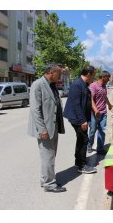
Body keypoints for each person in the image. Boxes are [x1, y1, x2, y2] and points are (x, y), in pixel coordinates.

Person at [27, 63, 66, 193]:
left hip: (53, 125)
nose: (60, 77)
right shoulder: (38, 85)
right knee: (48, 156)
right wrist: (42, 129)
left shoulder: (52, 85)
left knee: (50, 156)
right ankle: (49, 184)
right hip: (45, 128)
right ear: (50, 72)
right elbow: (35, 109)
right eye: (58, 74)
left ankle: (46, 180)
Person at [63, 66, 97, 174]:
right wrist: (83, 120)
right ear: (88, 74)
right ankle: (82, 165)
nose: (94, 77)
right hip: (77, 117)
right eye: (93, 75)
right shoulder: (77, 85)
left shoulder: (84, 84)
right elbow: (76, 104)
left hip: (80, 117)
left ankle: (78, 161)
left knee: (81, 139)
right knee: (84, 139)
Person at [87, 70, 113, 155]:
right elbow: (90, 99)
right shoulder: (93, 86)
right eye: (108, 78)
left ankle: (100, 148)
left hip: (103, 112)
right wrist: (95, 110)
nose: (109, 80)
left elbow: (104, 97)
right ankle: (89, 145)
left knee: (102, 130)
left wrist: (109, 104)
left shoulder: (104, 86)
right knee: (93, 130)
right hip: (94, 113)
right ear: (103, 77)